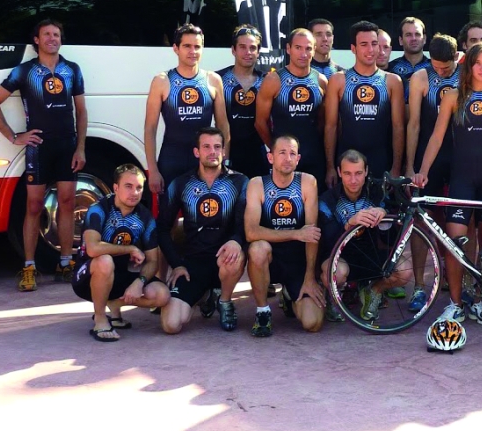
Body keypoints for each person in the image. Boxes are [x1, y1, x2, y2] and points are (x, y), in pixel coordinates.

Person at [413, 42, 482, 325]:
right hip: (462, 178)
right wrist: (423, 171)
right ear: (468, 66)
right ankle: (455, 304)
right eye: (477, 62)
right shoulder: (453, 96)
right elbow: (436, 137)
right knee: (455, 242)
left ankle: (481, 300)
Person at [0, 18, 87, 291]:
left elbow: (81, 111)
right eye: (47, 34)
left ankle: (65, 263)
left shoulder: (72, 69)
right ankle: (29, 267)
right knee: (33, 206)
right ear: (37, 40)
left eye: (57, 34)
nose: (53, 38)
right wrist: (14, 136)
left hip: (67, 145)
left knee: (68, 203)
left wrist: (80, 148)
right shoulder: (25, 70)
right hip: (38, 147)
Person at [158, 128, 248, 334]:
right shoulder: (180, 183)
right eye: (206, 147)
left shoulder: (240, 182)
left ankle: (224, 301)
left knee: (233, 257)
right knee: (171, 325)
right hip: (193, 264)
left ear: (223, 151)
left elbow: (246, 223)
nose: (212, 152)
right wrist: (177, 264)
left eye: (217, 147)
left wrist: (236, 240)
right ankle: (206, 295)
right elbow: (162, 228)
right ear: (196, 152)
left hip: (225, 259)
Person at [73, 164, 170, 342]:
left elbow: (153, 261)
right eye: (128, 186)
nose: (134, 192)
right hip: (86, 277)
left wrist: (140, 282)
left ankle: (114, 302)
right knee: (105, 261)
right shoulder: (99, 209)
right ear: (116, 188)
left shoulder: (145, 217)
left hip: (119, 276)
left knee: (162, 295)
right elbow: (93, 248)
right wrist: (130, 248)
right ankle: (100, 319)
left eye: (139, 187)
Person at [319, 149, 412, 322]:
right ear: (339, 172)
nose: (353, 180)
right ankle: (332, 296)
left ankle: (373, 291)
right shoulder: (328, 199)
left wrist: (385, 216)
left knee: (404, 270)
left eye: (358, 173)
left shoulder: (378, 193)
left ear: (366, 171)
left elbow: (393, 240)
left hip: (371, 257)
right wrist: (349, 224)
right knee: (334, 272)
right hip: (342, 259)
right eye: (347, 173)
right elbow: (326, 241)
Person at [245, 135, 324, 336]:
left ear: (298, 159)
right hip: (270, 260)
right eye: (282, 153)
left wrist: (310, 277)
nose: (287, 158)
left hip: (298, 262)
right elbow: (251, 232)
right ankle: (263, 311)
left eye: (292, 154)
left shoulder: (307, 182)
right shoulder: (257, 184)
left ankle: (290, 294)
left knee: (313, 323)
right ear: (270, 157)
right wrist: (296, 233)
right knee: (257, 249)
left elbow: (312, 234)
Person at [143, 24, 230, 205]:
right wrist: (153, 170)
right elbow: (150, 128)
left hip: (204, 162)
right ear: (176, 48)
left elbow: (223, 125)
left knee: (205, 213)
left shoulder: (213, 80)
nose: (193, 51)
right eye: (187, 46)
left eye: (197, 46)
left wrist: (223, 161)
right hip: (172, 160)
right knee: (168, 216)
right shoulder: (162, 81)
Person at [405, 34, 460, 313]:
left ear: (457, 58)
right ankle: (418, 285)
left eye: (446, 68)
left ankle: (463, 283)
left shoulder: (467, 75)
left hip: (460, 159)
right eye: (437, 67)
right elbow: (414, 124)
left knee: (462, 222)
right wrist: (410, 166)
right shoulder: (421, 77)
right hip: (429, 158)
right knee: (421, 221)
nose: (441, 72)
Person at [324, 21, 405, 189]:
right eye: (364, 44)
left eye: (374, 44)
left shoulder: (392, 81)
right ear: (353, 49)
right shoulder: (339, 80)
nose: (370, 49)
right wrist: (330, 167)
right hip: (347, 162)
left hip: (381, 161)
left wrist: (396, 167)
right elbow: (331, 126)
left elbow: (398, 127)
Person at [256, 28, 328, 188]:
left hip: (313, 158)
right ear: (288, 49)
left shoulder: (321, 81)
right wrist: (276, 149)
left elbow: (323, 121)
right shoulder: (274, 80)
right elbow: (260, 122)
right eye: (298, 48)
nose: (303, 54)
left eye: (308, 48)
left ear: (314, 50)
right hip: (283, 160)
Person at [218, 25, 269, 178]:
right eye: (242, 47)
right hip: (226, 154)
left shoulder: (267, 80)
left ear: (258, 52)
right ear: (233, 50)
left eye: (252, 48)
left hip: (258, 155)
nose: (248, 52)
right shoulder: (218, 79)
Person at [389, 17, 430, 103]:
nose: (413, 38)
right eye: (408, 35)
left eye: (417, 34)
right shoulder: (391, 68)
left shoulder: (434, 68)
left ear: (424, 39)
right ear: (400, 40)